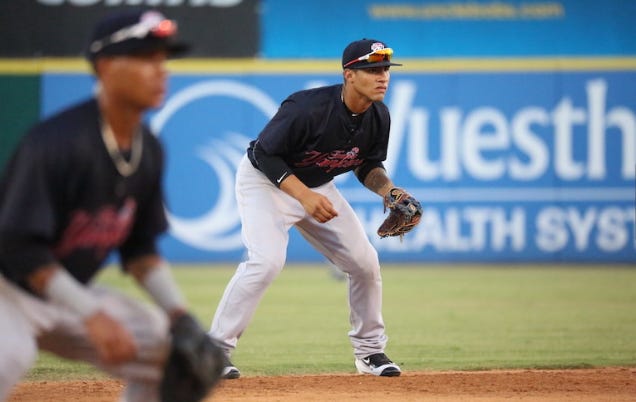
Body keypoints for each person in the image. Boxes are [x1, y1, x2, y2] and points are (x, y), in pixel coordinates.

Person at [0, 9, 221, 402]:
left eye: (163, 59)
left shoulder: (148, 149)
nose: (160, 70)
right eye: (144, 58)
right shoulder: (56, 142)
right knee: (8, 355)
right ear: (104, 67)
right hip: (9, 290)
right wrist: (90, 312)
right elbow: (18, 248)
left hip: (67, 292)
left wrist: (179, 315)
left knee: (173, 357)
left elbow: (139, 249)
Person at [208, 38, 421, 379]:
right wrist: (303, 196)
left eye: (385, 70)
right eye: (372, 70)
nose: (383, 77)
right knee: (266, 262)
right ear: (349, 75)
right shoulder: (307, 108)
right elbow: (263, 154)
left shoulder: (378, 115)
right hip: (266, 183)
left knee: (365, 264)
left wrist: (388, 190)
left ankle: (369, 353)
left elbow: (367, 164)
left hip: (317, 186)